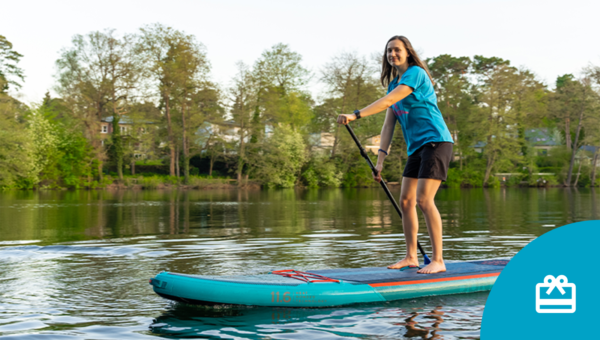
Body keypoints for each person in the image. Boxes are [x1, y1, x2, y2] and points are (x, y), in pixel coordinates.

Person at [337, 35, 454, 274]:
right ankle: (411, 256)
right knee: (406, 201)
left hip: (436, 142)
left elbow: (388, 101)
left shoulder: (416, 74)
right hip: (417, 148)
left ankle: (438, 260)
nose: (393, 54)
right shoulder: (393, 84)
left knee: (423, 200)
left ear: (407, 52)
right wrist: (380, 161)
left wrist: (355, 115)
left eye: (397, 50)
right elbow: (389, 125)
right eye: (389, 51)